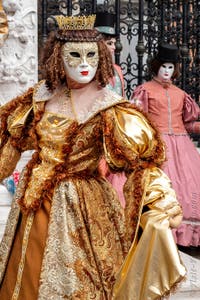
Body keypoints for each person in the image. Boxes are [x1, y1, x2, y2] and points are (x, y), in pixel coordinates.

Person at [0, 16, 185, 299]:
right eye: (74, 55)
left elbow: (143, 165)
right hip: (31, 202)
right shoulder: (40, 97)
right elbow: (11, 141)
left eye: (91, 55)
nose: (84, 63)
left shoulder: (110, 107)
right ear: (57, 58)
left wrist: (160, 202)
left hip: (82, 203)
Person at [131, 42, 200, 248]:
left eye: (171, 67)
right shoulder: (145, 91)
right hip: (157, 143)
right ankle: (159, 232)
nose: (167, 71)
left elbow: (188, 123)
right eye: (164, 67)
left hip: (182, 147)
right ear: (156, 67)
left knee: (190, 186)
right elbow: (137, 119)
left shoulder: (180, 94)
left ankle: (184, 235)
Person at [95, 11, 127, 208]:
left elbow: (122, 97)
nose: (113, 47)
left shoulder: (118, 70)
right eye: (109, 43)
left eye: (114, 43)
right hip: (95, 128)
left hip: (114, 127)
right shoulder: (89, 69)